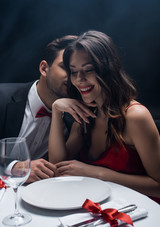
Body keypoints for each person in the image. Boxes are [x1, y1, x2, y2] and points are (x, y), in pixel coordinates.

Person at [48, 30, 160, 203]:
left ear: (108, 69)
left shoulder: (136, 116)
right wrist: (56, 111)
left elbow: (158, 186)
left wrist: (99, 174)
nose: (79, 79)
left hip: (141, 212)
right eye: (73, 72)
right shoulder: (86, 114)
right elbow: (58, 167)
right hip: (100, 209)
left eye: (88, 70)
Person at [0, 35, 77, 183]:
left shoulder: (77, 119)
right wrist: (14, 168)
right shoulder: (2, 98)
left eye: (75, 70)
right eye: (64, 67)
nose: (73, 77)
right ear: (44, 68)